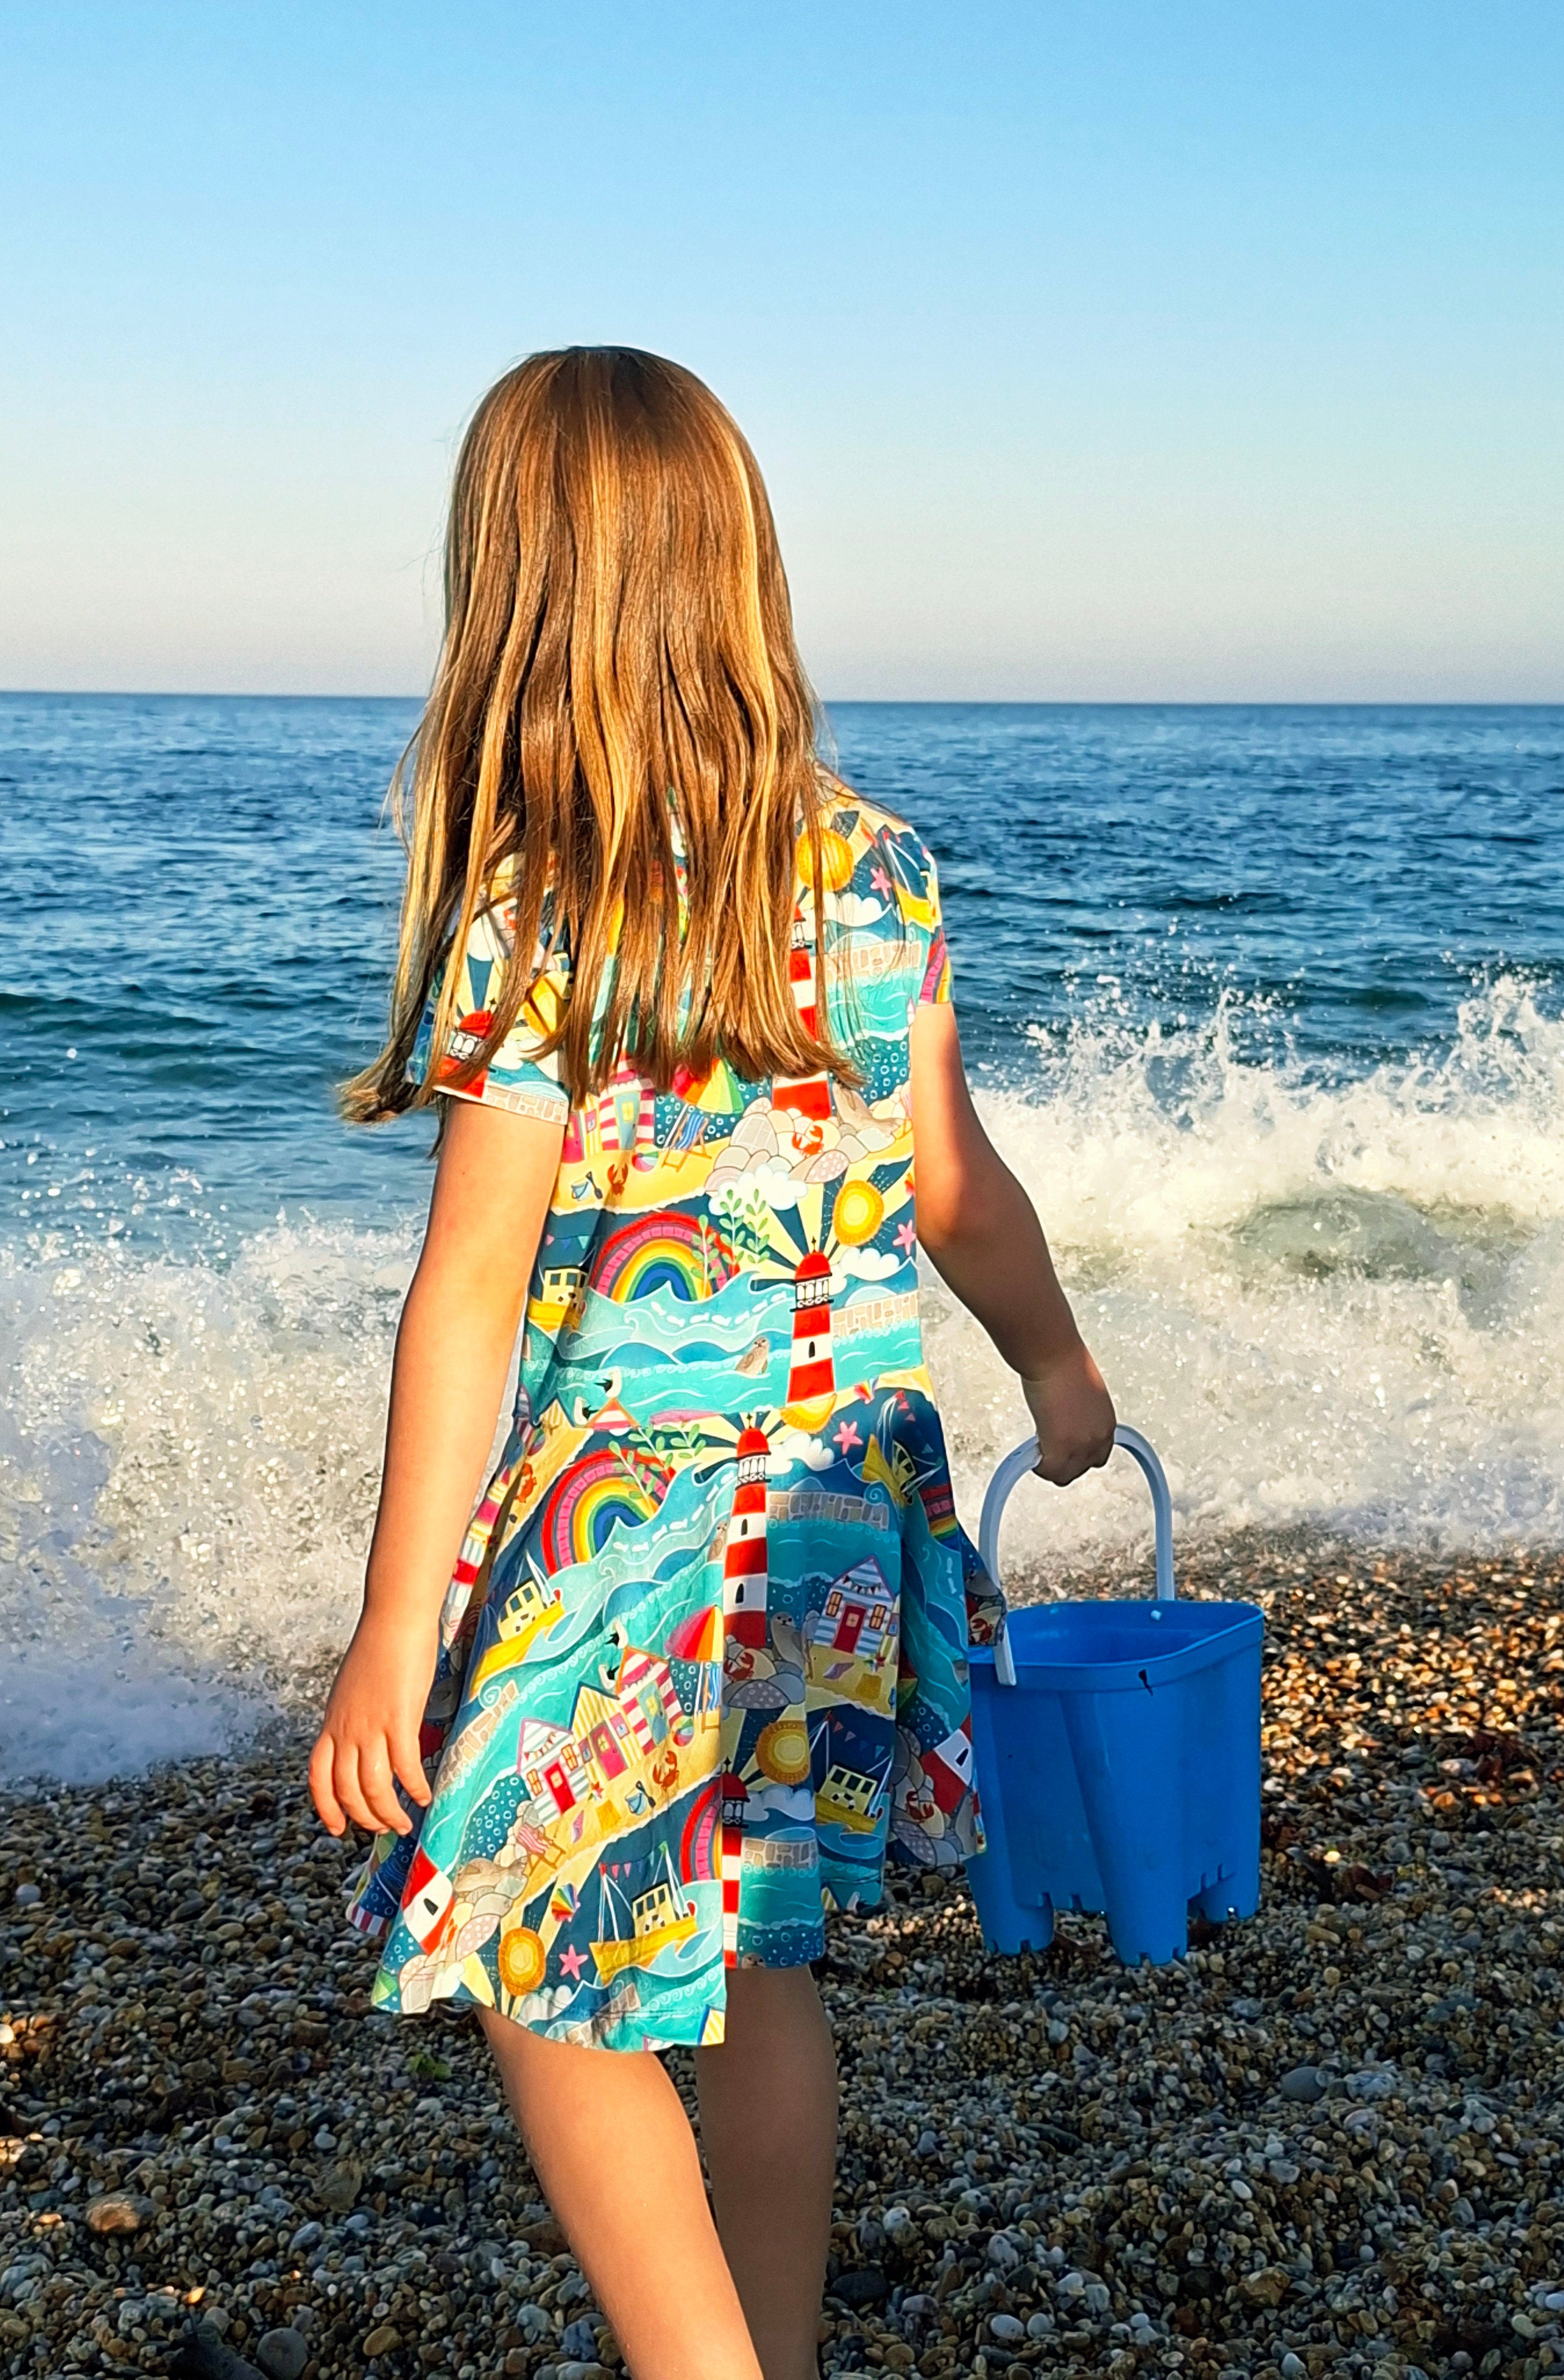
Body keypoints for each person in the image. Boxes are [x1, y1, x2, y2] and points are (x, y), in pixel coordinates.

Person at [307, 347, 1115, 2380]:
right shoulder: (875, 869)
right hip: (846, 1500)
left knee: (526, 1954)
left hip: (635, 1527)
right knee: (756, 1961)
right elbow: (954, 1182)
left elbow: (470, 1288)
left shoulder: (537, 907)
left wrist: (394, 1633)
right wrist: (1060, 1369)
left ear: (518, 596)